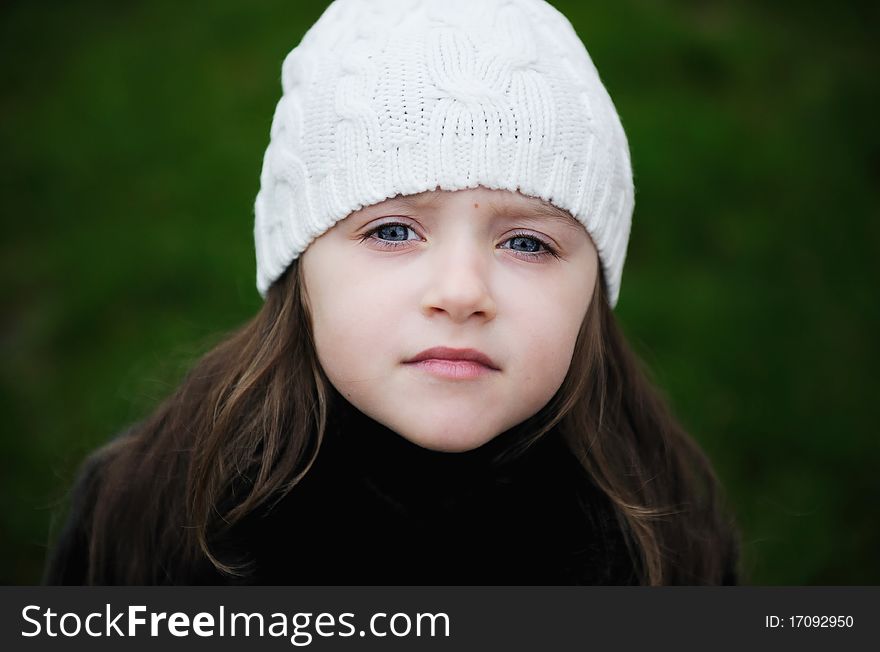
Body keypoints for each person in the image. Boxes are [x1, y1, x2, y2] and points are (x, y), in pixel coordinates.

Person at [43, 0, 741, 585]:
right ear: (300, 266)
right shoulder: (159, 512)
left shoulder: (659, 530)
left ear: (593, 287)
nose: (462, 292)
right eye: (393, 231)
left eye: (527, 242)